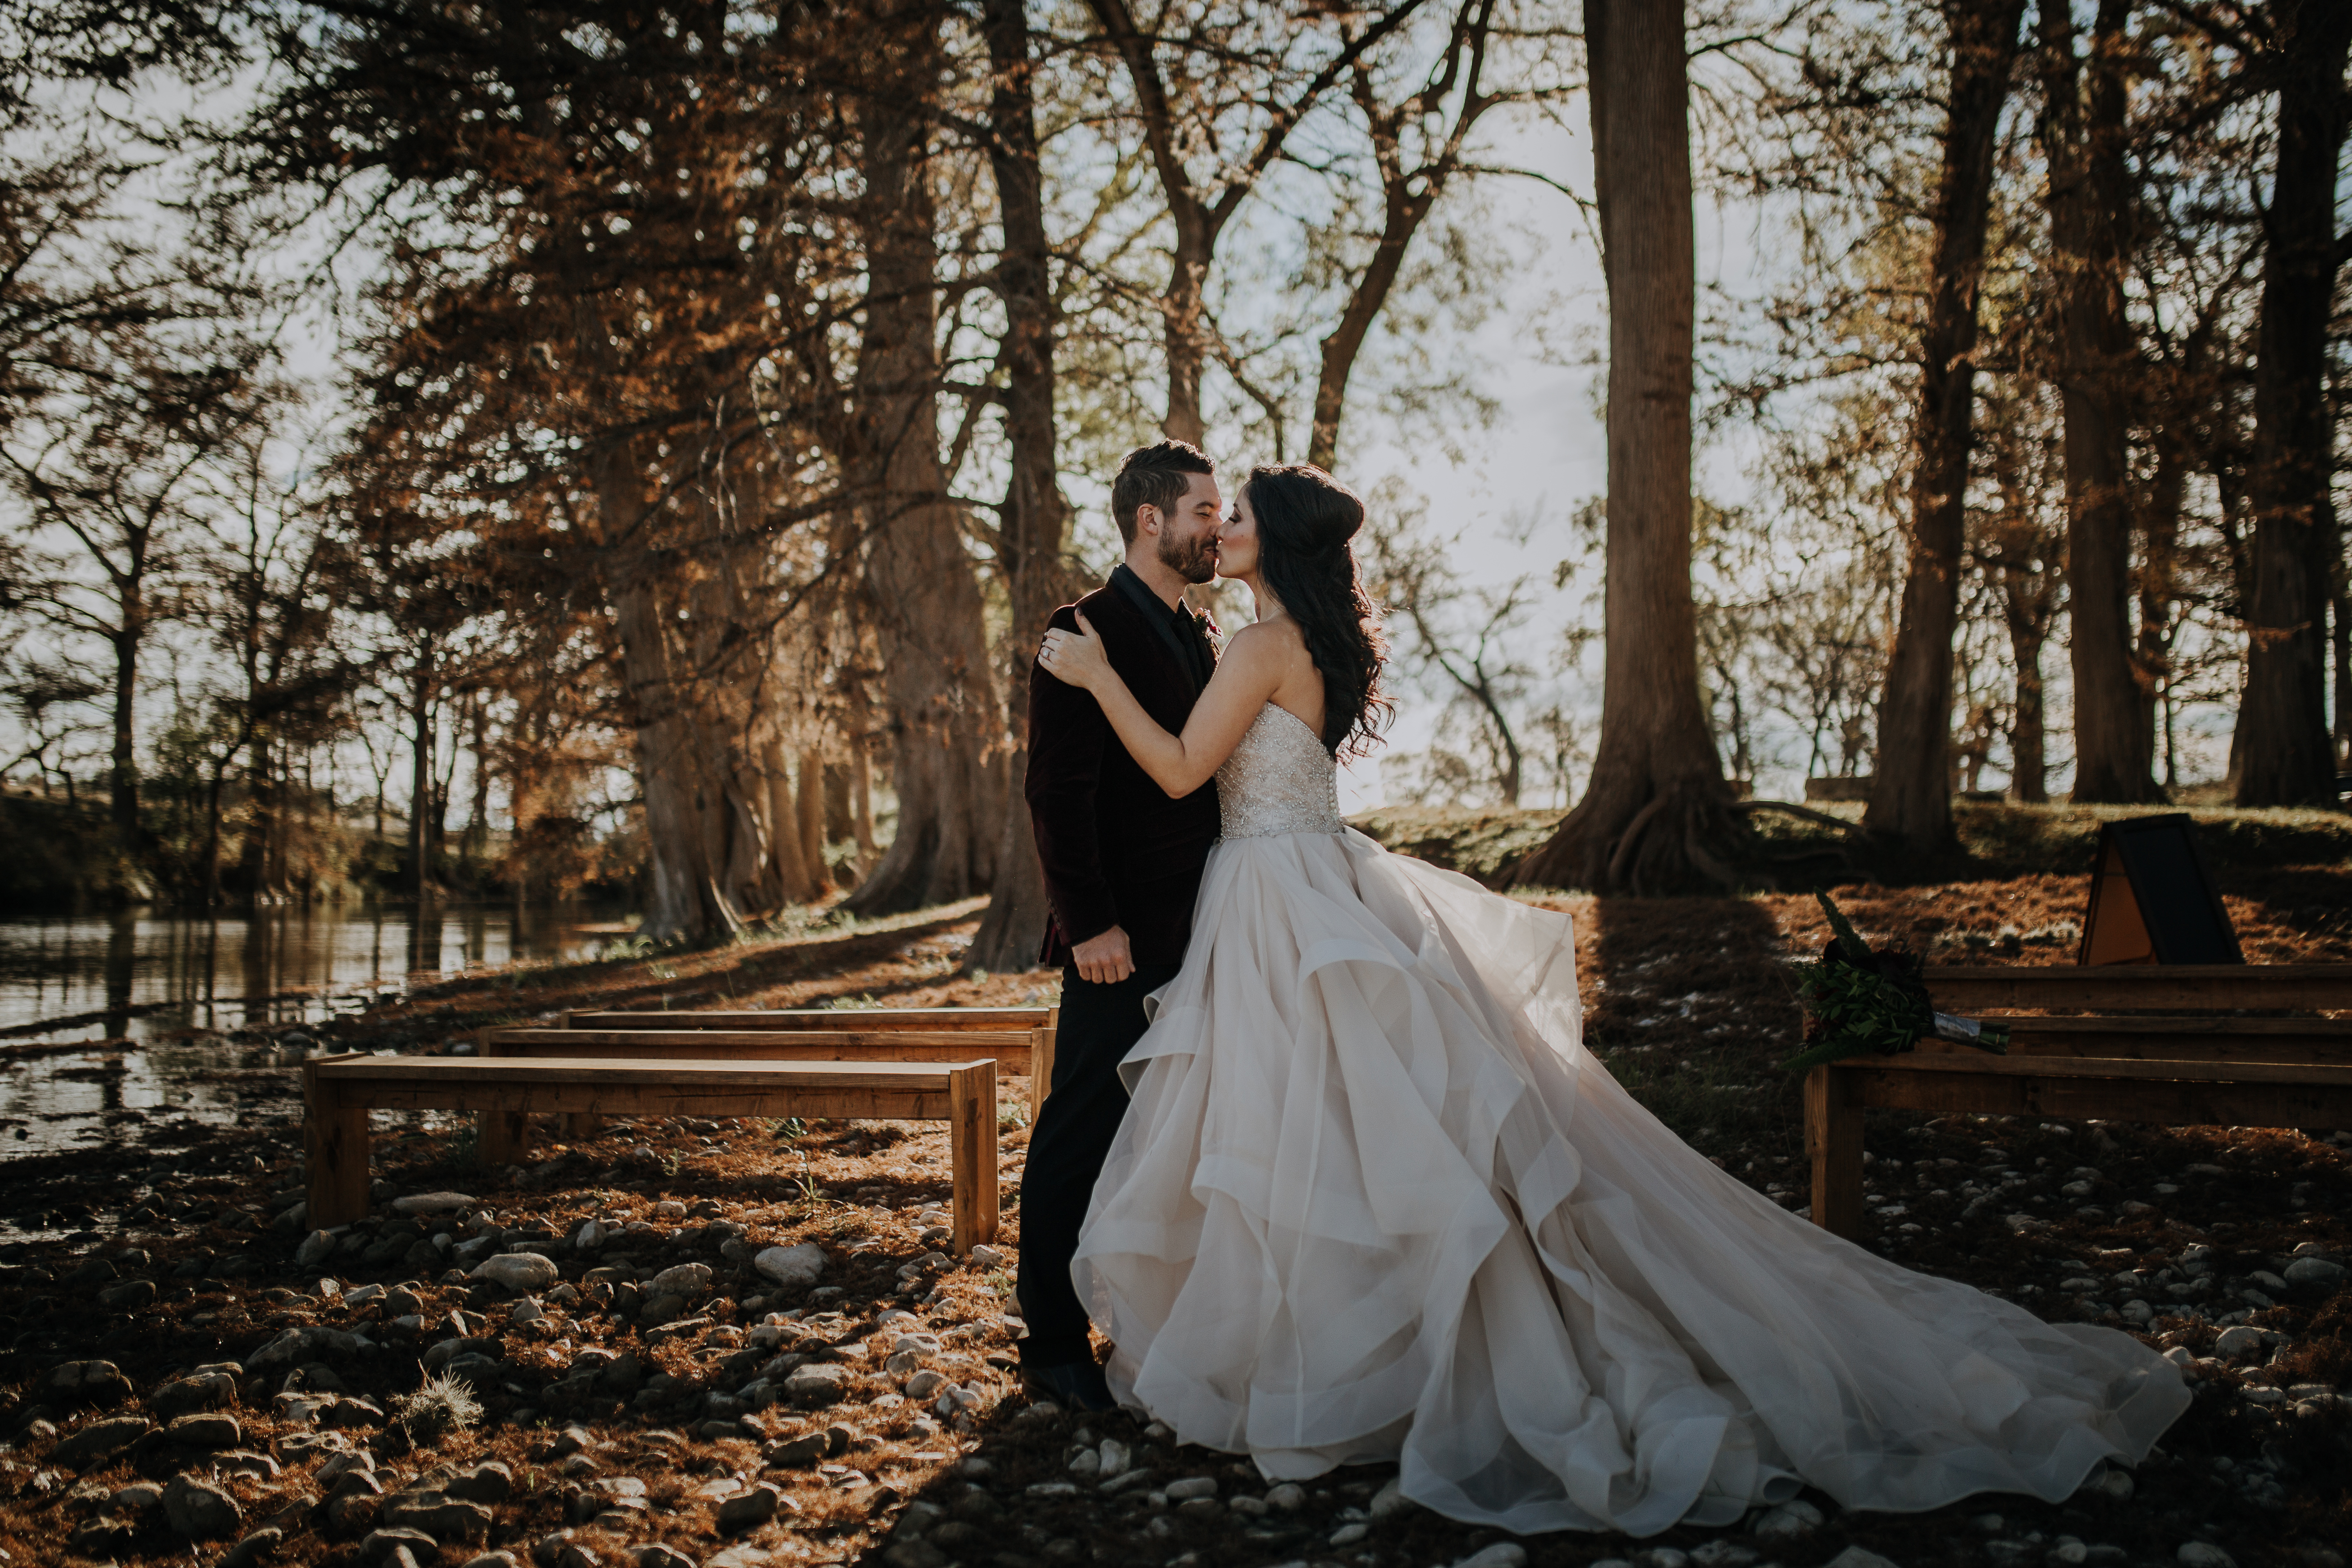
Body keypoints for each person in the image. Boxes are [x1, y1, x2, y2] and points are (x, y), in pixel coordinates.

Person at [1032, 462, 2188, 1536]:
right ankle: (1333, 1346)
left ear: (1270, 538)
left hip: (1275, 895)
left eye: (1235, 515)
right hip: (1309, 883)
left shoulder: (1252, 647)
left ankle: (1313, 1358)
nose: (1220, 526)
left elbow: (1184, 769)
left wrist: (1090, 677)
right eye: (1208, 511)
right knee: (1339, 1126)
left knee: (1307, 1129)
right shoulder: (1306, 641)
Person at [1015, 439, 1227, 1411]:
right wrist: (1091, 922)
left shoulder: (1202, 633)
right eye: (1203, 512)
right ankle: (1053, 1341)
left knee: (1174, 1133)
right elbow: (1058, 792)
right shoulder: (1082, 627)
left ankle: (1154, 1320)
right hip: (1120, 940)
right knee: (1082, 1125)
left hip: (1210, 929)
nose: (1216, 528)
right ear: (1152, 519)